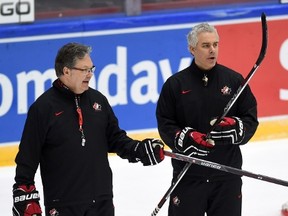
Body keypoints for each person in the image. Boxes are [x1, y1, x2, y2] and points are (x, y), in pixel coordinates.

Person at [12, 42, 165, 216]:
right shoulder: (43, 108)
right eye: (84, 70)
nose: (90, 74)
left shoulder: (98, 100)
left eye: (92, 69)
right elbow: (27, 158)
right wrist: (24, 194)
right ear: (66, 71)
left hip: (101, 202)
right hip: (63, 205)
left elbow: (115, 139)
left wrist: (139, 150)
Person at [156, 23, 258, 216]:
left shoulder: (235, 81)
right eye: (205, 45)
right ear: (192, 49)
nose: (212, 50)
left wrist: (238, 128)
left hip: (227, 175)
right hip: (188, 175)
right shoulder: (175, 85)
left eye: (215, 44)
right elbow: (165, 123)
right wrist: (184, 138)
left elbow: (250, 118)